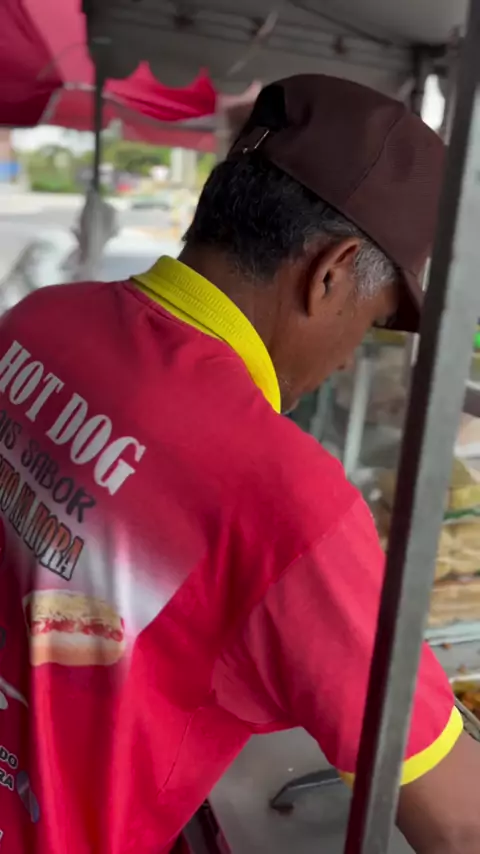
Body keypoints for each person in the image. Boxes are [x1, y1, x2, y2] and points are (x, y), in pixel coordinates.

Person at [0, 74, 478, 854]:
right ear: (331, 272)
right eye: (373, 320)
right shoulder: (285, 499)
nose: (349, 358)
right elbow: (459, 821)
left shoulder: (37, 320)